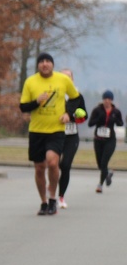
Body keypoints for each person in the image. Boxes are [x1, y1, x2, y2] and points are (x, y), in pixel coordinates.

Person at [19, 53, 81, 215]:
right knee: (39, 168)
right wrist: (36, 101)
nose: (45, 64)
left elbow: (76, 98)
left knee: (53, 163)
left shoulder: (63, 80)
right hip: (36, 131)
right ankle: (44, 202)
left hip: (56, 130)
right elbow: (23, 107)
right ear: (38, 65)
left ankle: (53, 197)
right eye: (41, 62)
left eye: (48, 62)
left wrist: (68, 113)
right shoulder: (30, 82)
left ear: (52, 65)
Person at [57, 69, 87, 209]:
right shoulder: (56, 95)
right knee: (53, 165)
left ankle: (61, 196)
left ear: (72, 80)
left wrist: (77, 117)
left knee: (66, 165)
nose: (66, 79)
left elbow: (84, 116)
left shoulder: (78, 96)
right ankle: (52, 191)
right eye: (63, 77)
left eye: (68, 77)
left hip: (72, 136)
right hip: (56, 134)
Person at [88, 90, 123, 193]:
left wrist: (116, 120)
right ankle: (108, 173)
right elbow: (90, 124)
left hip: (110, 140)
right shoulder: (97, 110)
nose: (107, 101)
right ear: (102, 100)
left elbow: (120, 123)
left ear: (112, 100)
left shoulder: (116, 111)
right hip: (98, 140)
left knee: (104, 162)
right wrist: (99, 119)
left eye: (109, 99)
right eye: (105, 99)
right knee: (100, 164)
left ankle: (100, 184)